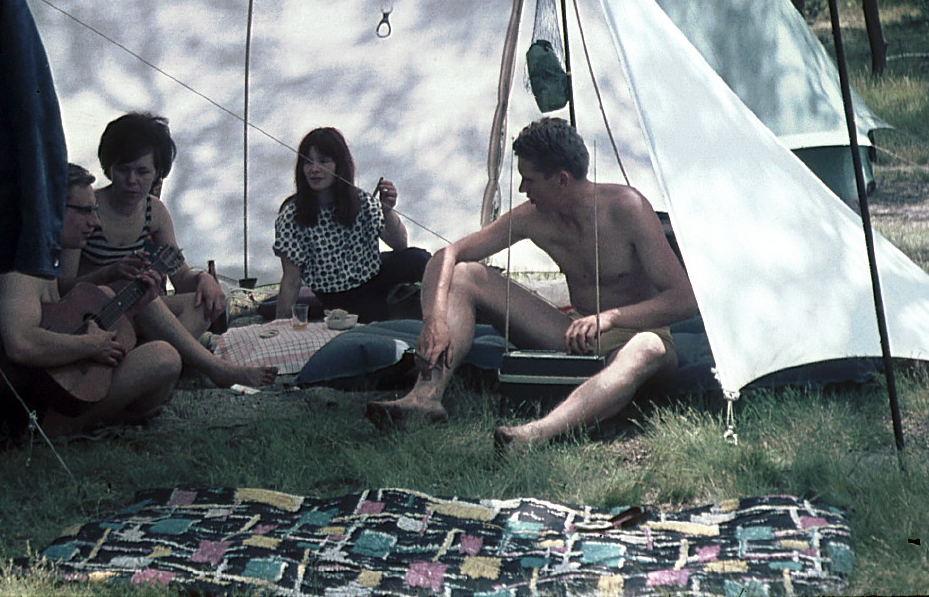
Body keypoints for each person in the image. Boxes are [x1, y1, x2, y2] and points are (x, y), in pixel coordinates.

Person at [365, 117, 698, 450]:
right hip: (574, 336)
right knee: (467, 274)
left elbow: (684, 299)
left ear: (562, 180)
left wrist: (611, 318)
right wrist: (434, 319)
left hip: (640, 336)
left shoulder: (627, 208)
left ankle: (536, 433)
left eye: (530, 180)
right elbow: (448, 254)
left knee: (647, 347)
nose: (524, 189)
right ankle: (424, 398)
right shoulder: (533, 217)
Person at [62, 113, 277, 388]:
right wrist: (109, 273)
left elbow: (181, 277)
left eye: (142, 172)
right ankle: (214, 367)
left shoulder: (154, 212)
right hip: (92, 317)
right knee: (143, 297)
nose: (131, 181)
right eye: (123, 170)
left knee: (203, 302)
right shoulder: (89, 209)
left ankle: (158, 362)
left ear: (157, 174)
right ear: (109, 167)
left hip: (137, 316)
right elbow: (64, 287)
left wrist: (204, 280)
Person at [0, 164, 181, 437]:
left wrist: (132, 310)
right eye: (85, 211)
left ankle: (94, 420)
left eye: (94, 210)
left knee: (121, 314)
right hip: (29, 407)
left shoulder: (41, 259)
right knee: (162, 357)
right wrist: (90, 344)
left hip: (55, 389)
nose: (94, 222)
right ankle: (58, 430)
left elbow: (57, 324)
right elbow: (21, 344)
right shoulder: (22, 269)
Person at [273, 127, 431, 324]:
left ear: (340, 166)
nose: (314, 169)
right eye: (308, 162)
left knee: (420, 258)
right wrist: (280, 325)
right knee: (374, 322)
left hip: (373, 274)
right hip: (338, 294)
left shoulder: (362, 201)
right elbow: (291, 279)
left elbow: (400, 245)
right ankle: (393, 299)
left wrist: (388, 210)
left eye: (323, 161)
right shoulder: (292, 215)